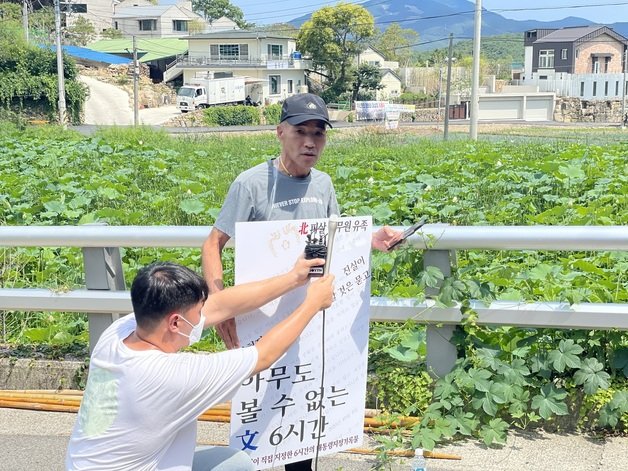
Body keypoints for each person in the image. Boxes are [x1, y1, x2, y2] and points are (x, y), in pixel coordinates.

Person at [201, 92, 401, 471]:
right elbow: (213, 244)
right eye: (300, 132)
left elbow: (336, 241)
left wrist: (371, 240)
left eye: (319, 134)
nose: (310, 142)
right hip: (258, 315)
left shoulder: (322, 185)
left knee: (299, 415)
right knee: (258, 417)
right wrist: (220, 302)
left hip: (306, 316)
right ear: (279, 132)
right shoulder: (251, 184)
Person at [66, 257, 333, 471]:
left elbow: (219, 305)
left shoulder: (117, 333)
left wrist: (292, 279)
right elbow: (264, 354)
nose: (203, 317)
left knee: (234, 465)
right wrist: (311, 303)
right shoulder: (171, 376)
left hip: (91, 463)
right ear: (174, 323)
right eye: (196, 313)